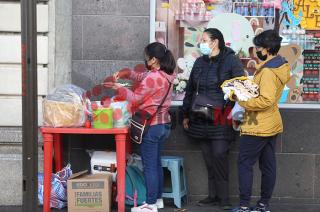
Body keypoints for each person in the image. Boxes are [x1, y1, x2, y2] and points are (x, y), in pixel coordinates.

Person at [104, 42, 176, 212]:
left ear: (153, 60)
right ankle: (157, 200)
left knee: (150, 166)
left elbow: (135, 98)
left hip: (151, 126)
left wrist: (119, 88)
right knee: (156, 164)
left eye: (146, 58)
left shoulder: (153, 77)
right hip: (163, 125)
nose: (144, 60)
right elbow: (140, 77)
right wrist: (126, 73)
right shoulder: (166, 74)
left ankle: (150, 205)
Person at [181, 28, 245, 210]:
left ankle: (224, 198)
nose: (201, 43)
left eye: (203, 40)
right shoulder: (200, 62)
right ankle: (213, 195)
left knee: (219, 155)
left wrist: (236, 114)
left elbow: (241, 89)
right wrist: (185, 114)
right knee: (209, 158)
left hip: (222, 118)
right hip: (200, 117)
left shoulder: (231, 61)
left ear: (215, 42)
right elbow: (190, 89)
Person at [233, 30, 290, 212]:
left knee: (245, 164)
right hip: (271, 123)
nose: (255, 51)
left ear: (266, 49)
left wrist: (241, 100)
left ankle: (244, 205)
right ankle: (263, 204)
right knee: (268, 165)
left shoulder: (267, 72)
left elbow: (265, 99)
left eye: (258, 48)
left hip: (257, 126)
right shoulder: (280, 66)